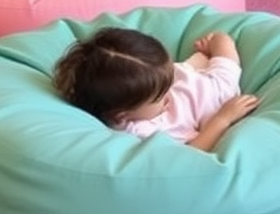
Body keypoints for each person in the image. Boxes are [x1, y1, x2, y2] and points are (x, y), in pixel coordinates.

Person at [53, 25, 259, 151]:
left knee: (220, 52)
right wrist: (223, 119)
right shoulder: (141, 133)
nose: (168, 96)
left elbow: (224, 48)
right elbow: (191, 155)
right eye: (160, 97)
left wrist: (214, 45)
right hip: (219, 108)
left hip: (202, 79)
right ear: (120, 116)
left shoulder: (178, 77)